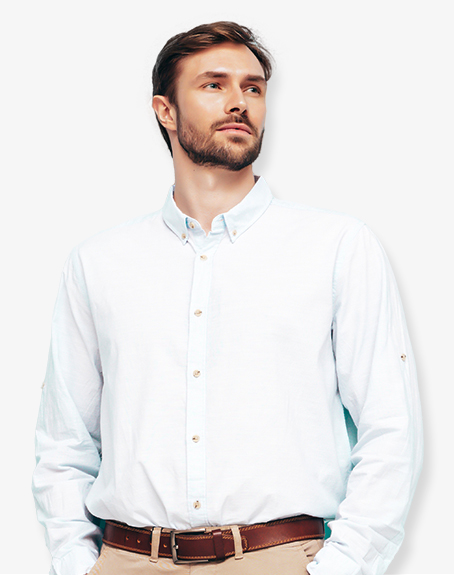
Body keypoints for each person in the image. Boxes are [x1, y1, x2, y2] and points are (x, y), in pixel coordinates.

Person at [32, 21, 423, 575]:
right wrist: (76, 563)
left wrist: (341, 567)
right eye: (213, 84)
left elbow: (391, 429)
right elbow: (65, 441)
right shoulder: (98, 263)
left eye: (252, 87)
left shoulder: (337, 247)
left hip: (278, 558)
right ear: (165, 111)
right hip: (127, 560)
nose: (239, 101)